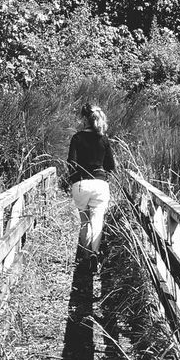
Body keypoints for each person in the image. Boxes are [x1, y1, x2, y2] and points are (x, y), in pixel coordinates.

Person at [66, 103, 115, 268]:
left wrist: (72, 179)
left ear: (85, 119)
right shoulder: (104, 139)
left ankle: (85, 258)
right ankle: (95, 253)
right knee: (97, 220)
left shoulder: (77, 138)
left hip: (81, 184)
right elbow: (110, 166)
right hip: (100, 184)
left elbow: (71, 163)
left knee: (85, 221)